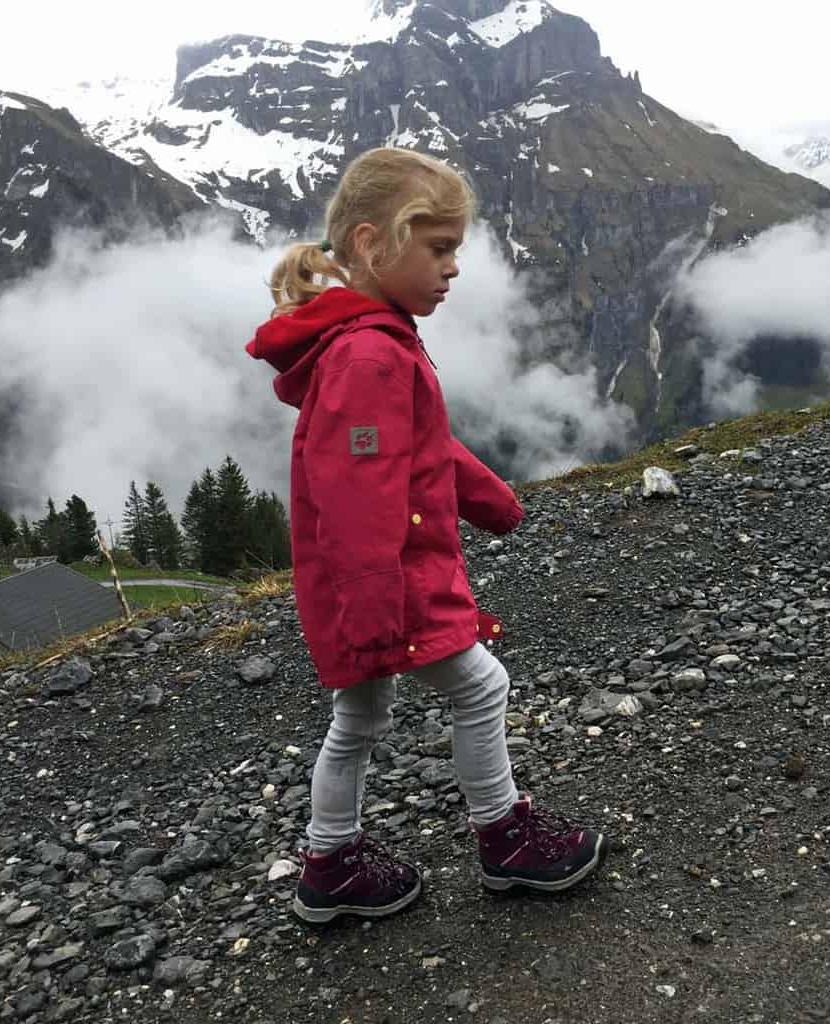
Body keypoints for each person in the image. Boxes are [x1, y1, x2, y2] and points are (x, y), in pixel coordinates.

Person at [246, 147, 607, 924]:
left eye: (455, 250)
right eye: (438, 248)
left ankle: (329, 862)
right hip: (389, 579)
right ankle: (503, 836)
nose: (452, 268)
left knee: (360, 718)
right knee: (482, 688)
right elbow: (354, 495)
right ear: (374, 244)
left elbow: (423, 447)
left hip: (365, 583)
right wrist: (374, 606)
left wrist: (491, 501)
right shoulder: (370, 353)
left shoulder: (373, 340)